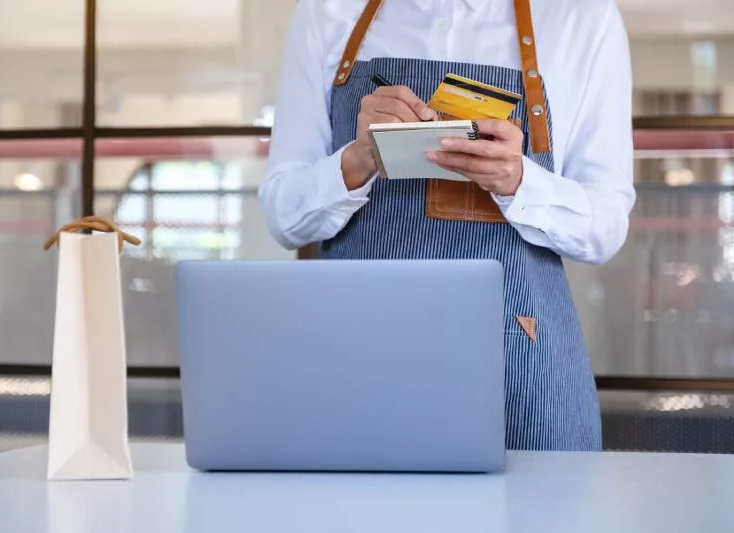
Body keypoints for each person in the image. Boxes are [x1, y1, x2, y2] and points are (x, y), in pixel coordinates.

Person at [259, 0, 635, 451]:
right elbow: (283, 216)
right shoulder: (329, 11)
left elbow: (606, 226)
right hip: (356, 352)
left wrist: (519, 182)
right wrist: (356, 160)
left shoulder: (581, 17)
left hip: (520, 362)